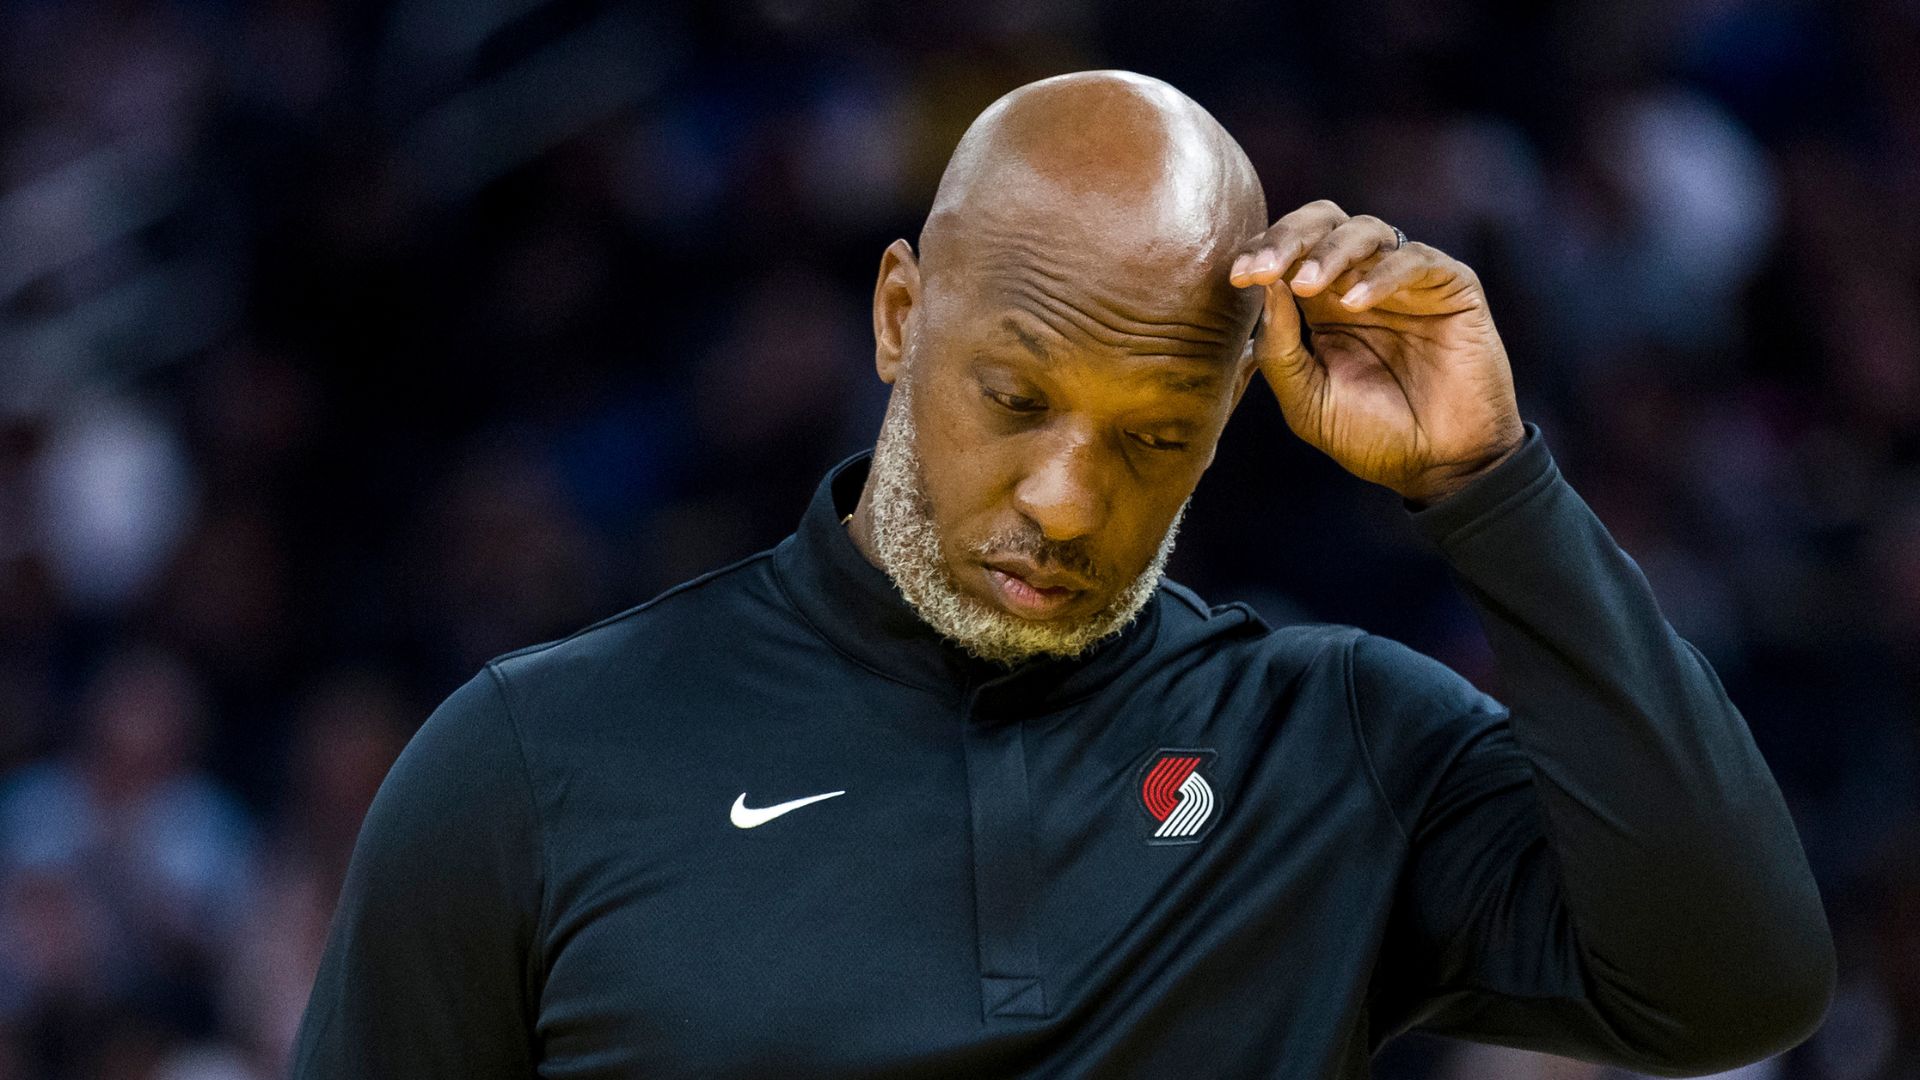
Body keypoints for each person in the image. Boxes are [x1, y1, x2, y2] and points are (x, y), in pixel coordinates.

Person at [290, 70, 1833, 1078]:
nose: (1068, 499)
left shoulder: (1330, 744)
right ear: (901, 316)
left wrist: (1493, 489)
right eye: (1016, 398)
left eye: (1154, 435)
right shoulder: (534, 764)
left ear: (1228, 419)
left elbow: (1735, 981)